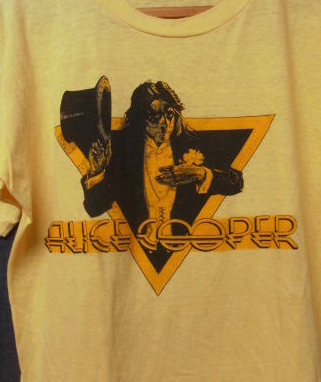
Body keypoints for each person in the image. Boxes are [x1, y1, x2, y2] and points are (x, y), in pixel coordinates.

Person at [80, 80, 244, 257]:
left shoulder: (192, 144)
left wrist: (199, 173)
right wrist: (96, 172)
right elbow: (94, 208)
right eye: (155, 116)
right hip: (138, 255)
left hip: (189, 254)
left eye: (170, 115)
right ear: (140, 119)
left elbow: (236, 182)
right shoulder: (122, 152)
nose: (165, 123)